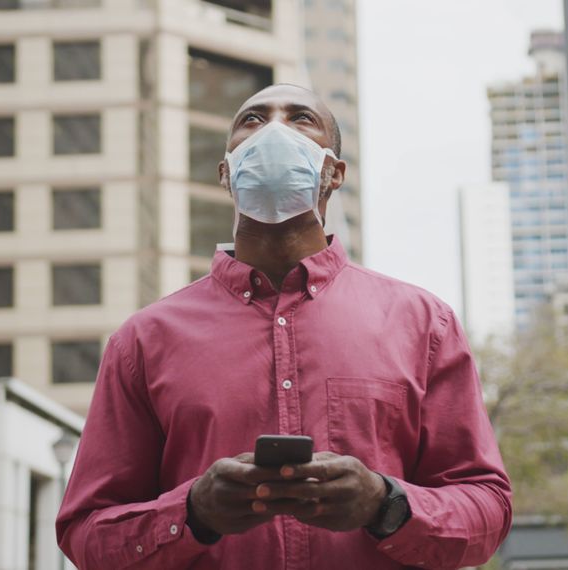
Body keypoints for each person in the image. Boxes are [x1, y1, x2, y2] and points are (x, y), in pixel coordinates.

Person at [55, 84, 512, 569]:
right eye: (252, 120)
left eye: (300, 118)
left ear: (334, 172)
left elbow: (486, 509)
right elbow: (86, 534)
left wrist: (386, 503)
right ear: (226, 174)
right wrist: (192, 512)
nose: (273, 130)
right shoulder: (144, 340)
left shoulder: (424, 324)